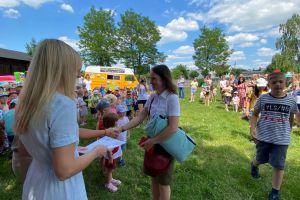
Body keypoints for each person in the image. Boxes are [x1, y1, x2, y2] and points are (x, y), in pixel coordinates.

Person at [13, 39, 114, 199]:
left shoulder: (25, 103)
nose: (78, 77)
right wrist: (96, 151)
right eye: (77, 71)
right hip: (61, 190)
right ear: (62, 70)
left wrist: (71, 149)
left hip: (35, 182)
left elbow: (24, 152)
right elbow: (64, 170)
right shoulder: (61, 104)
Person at [117, 64, 180, 200]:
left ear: (164, 79)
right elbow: (140, 117)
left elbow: (173, 127)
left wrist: (153, 141)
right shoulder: (152, 97)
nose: (150, 81)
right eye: (150, 78)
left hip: (165, 144)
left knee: (163, 183)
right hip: (152, 143)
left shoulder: (172, 98)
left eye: (154, 78)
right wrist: (121, 128)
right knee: (153, 177)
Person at [250, 71, 299, 200]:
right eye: (274, 82)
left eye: (281, 82)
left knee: (279, 164)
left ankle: (275, 192)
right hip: (264, 136)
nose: (278, 84)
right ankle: (254, 165)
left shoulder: (291, 100)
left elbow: (292, 115)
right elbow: (254, 114)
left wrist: (289, 129)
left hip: (282, 139)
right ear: (269, 84)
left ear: (285, 83)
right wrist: (252, 129)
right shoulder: (263, 98)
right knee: (261, 159)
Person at [102, 113, 122, 192]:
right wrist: (110, 158)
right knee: (109, 170)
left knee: (111, 169)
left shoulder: (112, 131)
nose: (117, 122)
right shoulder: (109, 134)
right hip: (111, 156)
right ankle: (108, 183)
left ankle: (111, 179)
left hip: (114, 154)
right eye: (116, 121)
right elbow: (109, 148)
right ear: (111, 123)